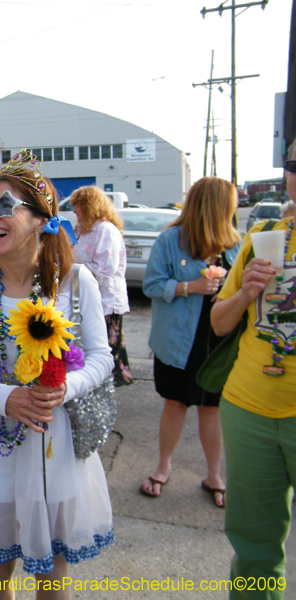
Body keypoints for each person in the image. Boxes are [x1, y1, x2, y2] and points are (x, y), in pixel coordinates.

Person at [0, 152, 114, 600]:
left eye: (5, 205)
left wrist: (63, 389)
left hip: (54, 446)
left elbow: (102, 358)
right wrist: (5, 398)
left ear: (40, 219)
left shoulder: (75, 282)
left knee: (52, 573)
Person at [211, 145, 296, 599]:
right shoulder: (263, 235)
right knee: (254, 545)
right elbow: (219, 322)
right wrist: (245, 292)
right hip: (248, 410)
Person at [139, 177, 241, 508]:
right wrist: (190, 287)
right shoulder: (171, 240)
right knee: (175, 403)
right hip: (178, 340)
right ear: (217, 206)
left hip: (219, 342)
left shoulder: (235, 243)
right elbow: (152, 285)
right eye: (231, 203)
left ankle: (214, 475)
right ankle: (163, 467)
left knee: (212, 408)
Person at [69, 186, 133, 386]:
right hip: (83, 297)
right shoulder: (81, 230)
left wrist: (72, 271)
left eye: (78, 206)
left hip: (105, 300)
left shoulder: (106, 230)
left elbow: (105, 270)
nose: (74, 211)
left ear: (89, 206)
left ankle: (108, 384)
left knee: (107, 345)